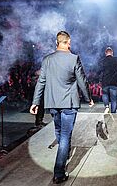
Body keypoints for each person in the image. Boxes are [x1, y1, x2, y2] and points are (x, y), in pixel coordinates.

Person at [30, 31, 94, 184]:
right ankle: (59, 171)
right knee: (65, 136)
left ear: (56, 42)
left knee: (59, 131)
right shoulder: (74, 59)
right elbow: (82, 81)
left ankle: (63, 154)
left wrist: (35, 102)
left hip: (52, 103)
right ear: (69, 42)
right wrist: (89, 98)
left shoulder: (47, 60)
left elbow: (41, 82)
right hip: (69, 104)